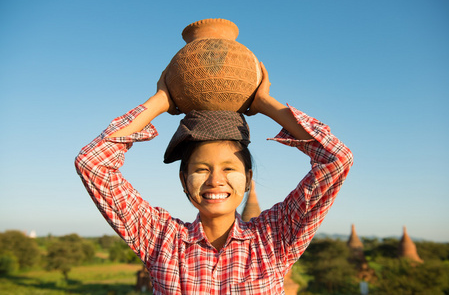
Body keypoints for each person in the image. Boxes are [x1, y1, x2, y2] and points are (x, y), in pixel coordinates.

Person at [75, 62, 353, 294]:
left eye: (229, 169)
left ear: (247, 178)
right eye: (201, 169)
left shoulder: (273, 238)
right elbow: (92, 164)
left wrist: (265, 103)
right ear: (184, 181)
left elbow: (336, 160)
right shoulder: (161, 240)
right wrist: (160, 101)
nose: (215, 180)